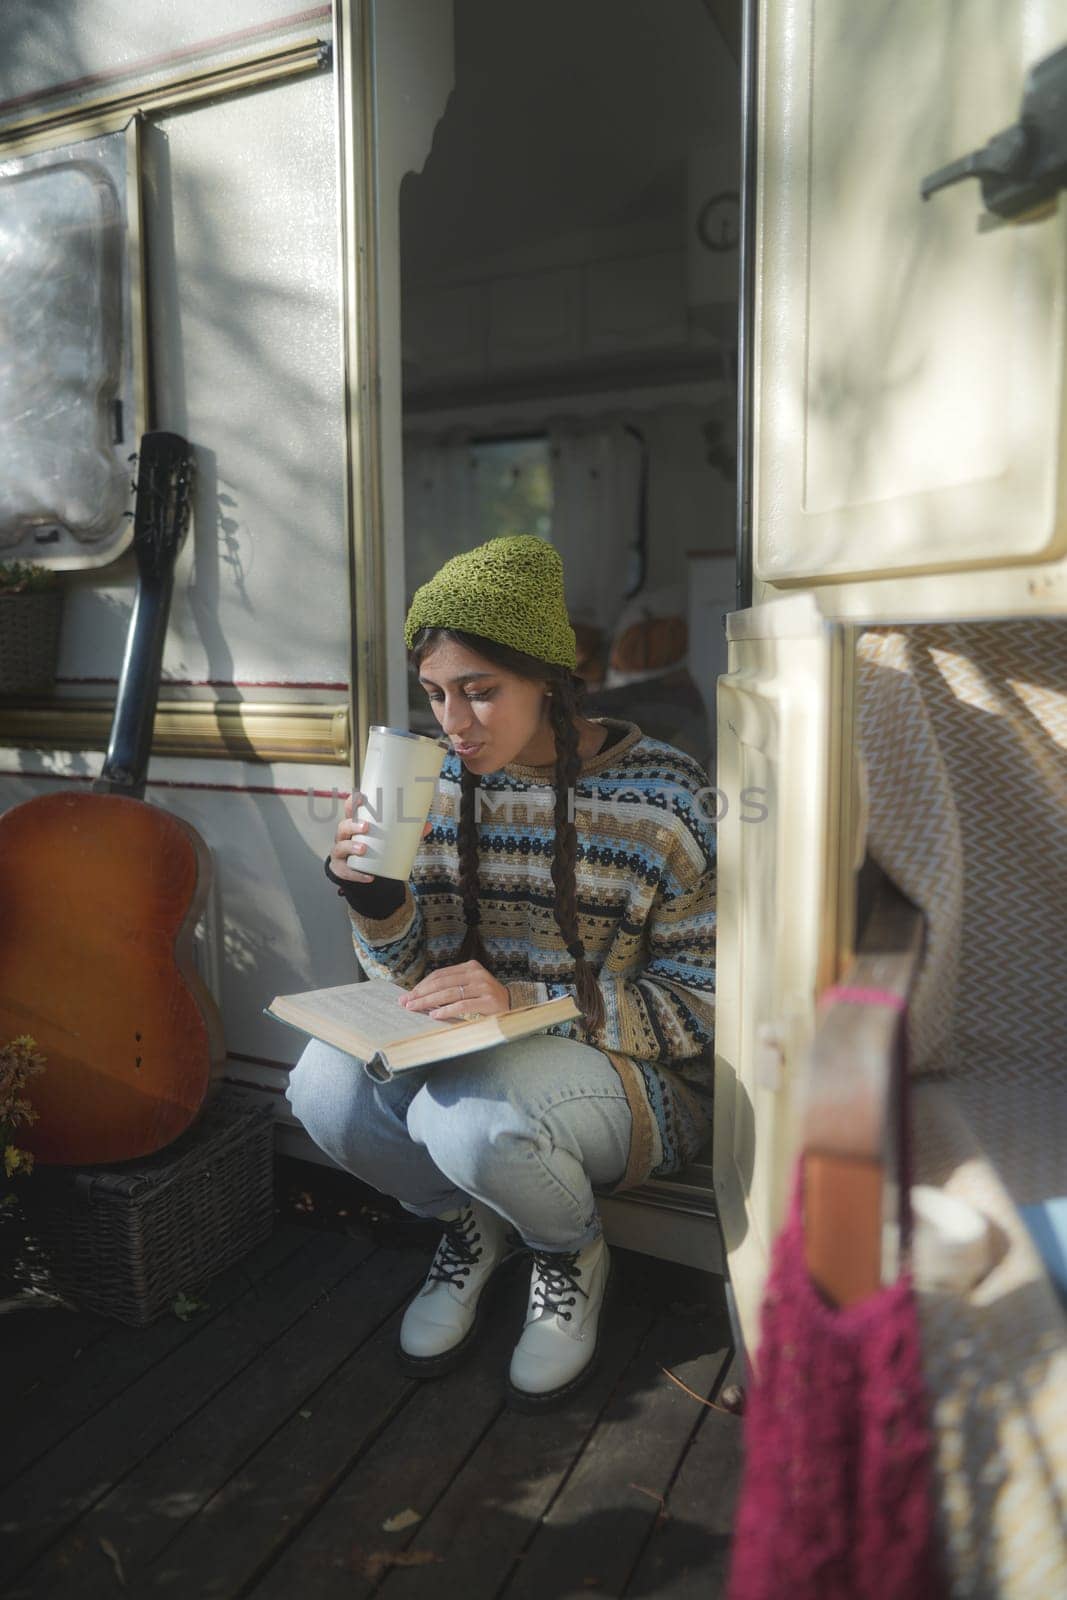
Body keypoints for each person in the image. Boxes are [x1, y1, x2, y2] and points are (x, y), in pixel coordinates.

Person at [285, 535, 716, 1410]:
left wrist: (531, 1002)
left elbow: (703, 1005)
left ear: (550, 681)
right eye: (437, 693)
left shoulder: (667, 797)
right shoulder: (428, 785)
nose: (454, 722)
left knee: (473, 1116)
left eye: (481, 692)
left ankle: (567, 1252)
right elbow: (406, 977)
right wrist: (376, 907)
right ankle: (468, 1227)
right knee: (320, 1086)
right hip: (472, 1066)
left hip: (634, 1081)